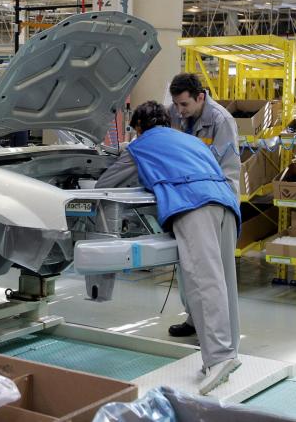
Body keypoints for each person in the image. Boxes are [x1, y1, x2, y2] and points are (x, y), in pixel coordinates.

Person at [96, 101, 241, 395]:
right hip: (225, 203)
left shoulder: (140, 146)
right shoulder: (191, 140)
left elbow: (105, 183)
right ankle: (228, 351)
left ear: (138, 128)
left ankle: (219, 358)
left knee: (203, 281)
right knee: (223, 280)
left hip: (193, 206)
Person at [167, 73, 240, 339]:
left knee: (217, 271)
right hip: (187, 202)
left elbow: (225, 170)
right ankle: (195, 319)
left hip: (218, 203)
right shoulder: (175, 114)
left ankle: (224, 334)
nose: (179, 111)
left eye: (184, 105)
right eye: (176, 105)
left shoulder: (221, 121)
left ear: (200, 97)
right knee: (189, 266)